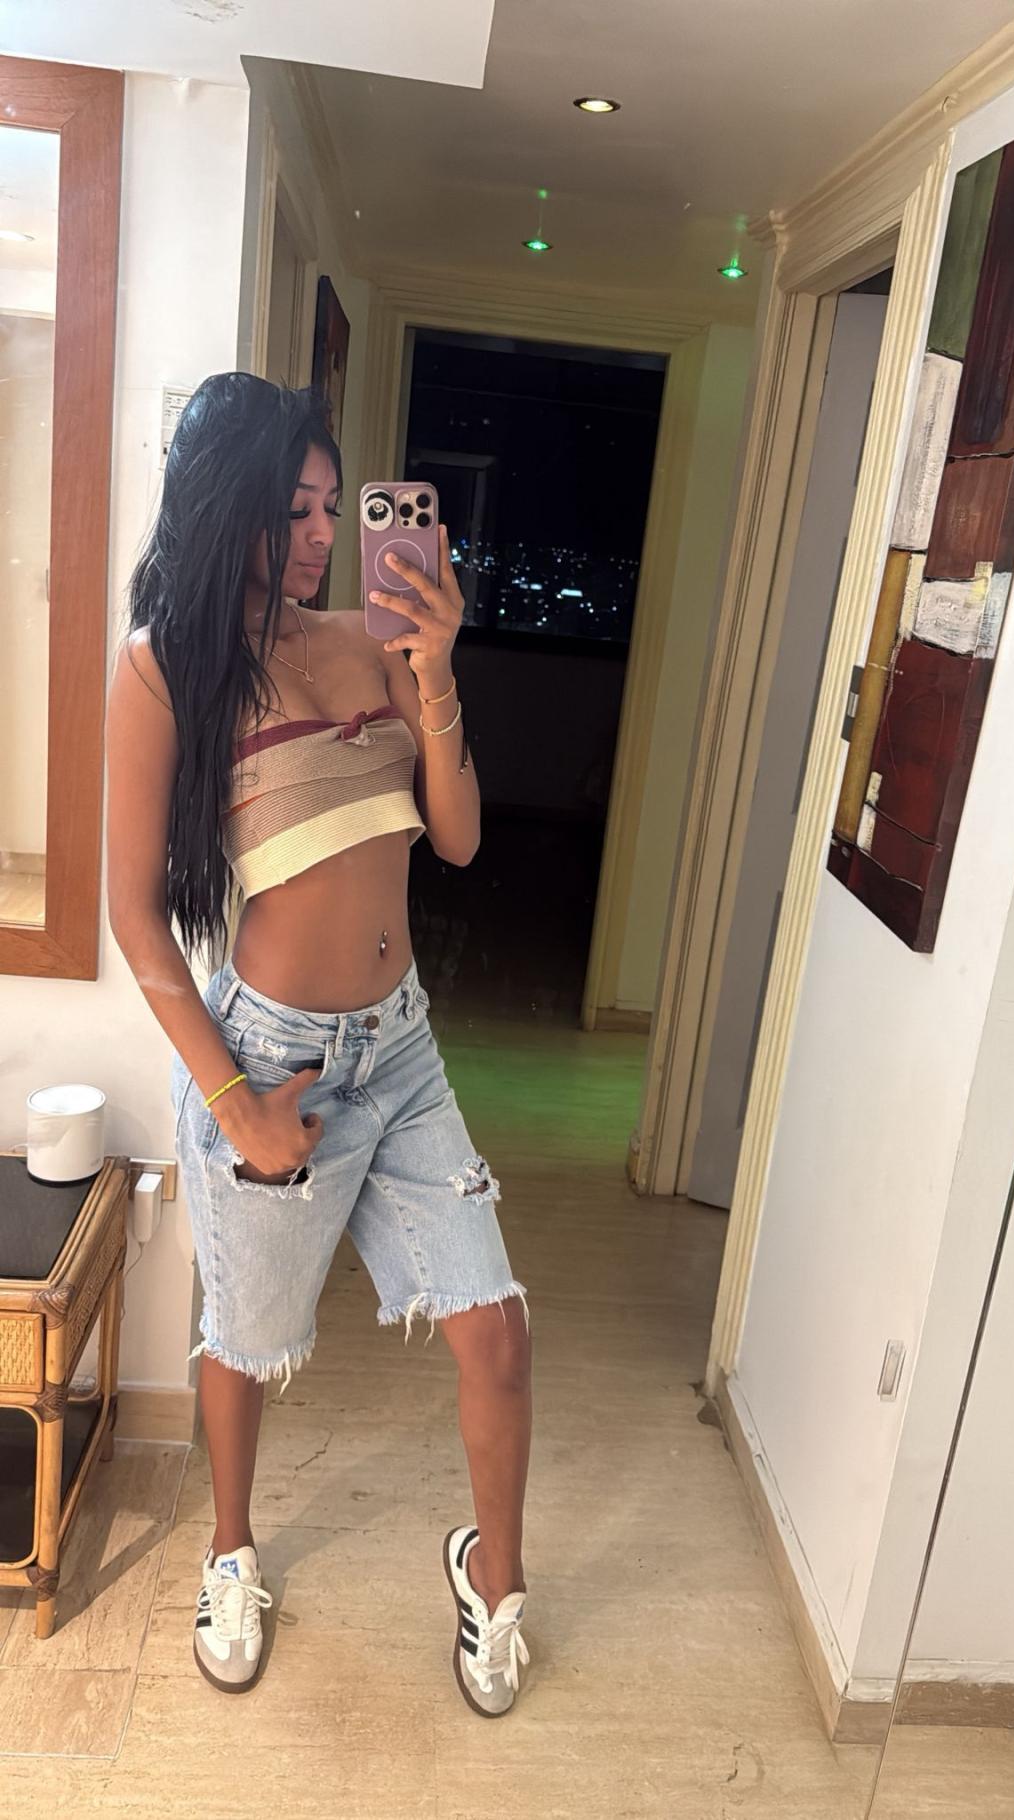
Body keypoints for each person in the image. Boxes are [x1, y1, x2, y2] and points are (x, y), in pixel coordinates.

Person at [106, 373, 531, 1715]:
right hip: (273, 1056)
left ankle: (496, 1580)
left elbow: (457, 838)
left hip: (401, 1056)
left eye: (331, 508)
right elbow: (133, 913)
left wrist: (435, 672)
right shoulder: (167, 669)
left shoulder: (372, 638)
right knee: (245, 1340)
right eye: (290, 509)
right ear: (224, 502)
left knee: (497, 1330)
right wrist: (235, 1106)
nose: (319, 535)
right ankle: (230, 1556)